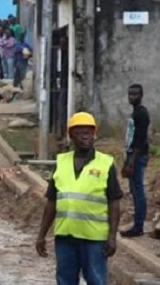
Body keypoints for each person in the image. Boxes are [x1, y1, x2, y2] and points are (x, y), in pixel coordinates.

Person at [36, 112, 122, 285]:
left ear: (94, 134)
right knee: (65, 281)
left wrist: (112, 236)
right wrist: (41, 235)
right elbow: (51, 202)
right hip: (65, 237)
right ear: (71, 136)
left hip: (94, 239)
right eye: (79, 132)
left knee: (96, 280)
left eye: (89, 132)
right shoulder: (62, 162)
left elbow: (114, 202)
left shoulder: (105, 164)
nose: (85, 136)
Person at [120, 84, 150, 238]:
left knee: (138, 191)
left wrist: (132, 161)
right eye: (130, 94)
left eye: (135, 95)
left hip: (138, 156)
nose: (131, 97)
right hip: (132, 155)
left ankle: (138, 227)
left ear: (141, 95)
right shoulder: (135, 112)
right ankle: (137, 224)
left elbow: (139, 140)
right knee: (134, 190)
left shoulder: (142, 114)